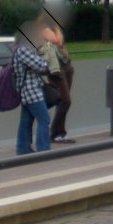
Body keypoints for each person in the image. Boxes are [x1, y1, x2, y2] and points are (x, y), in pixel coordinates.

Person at [12, 22, 52, 155]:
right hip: (31, 91)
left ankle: (22, 148)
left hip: (27, 91)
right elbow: (40, 65)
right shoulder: (23, 50)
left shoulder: (22, 49)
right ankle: (43, 148)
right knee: (44, 119)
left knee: (26, 121)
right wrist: (45, 60)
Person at [42, 20, 75, 144]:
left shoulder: (54, 26)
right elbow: (57, 40)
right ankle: (56, 132)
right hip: (55, 69)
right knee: (65, 101)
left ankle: (60, 132)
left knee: (62, 101)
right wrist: (56, 27)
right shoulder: (42, 26)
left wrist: (56, 27)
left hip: (65, 65)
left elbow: (60, 41)